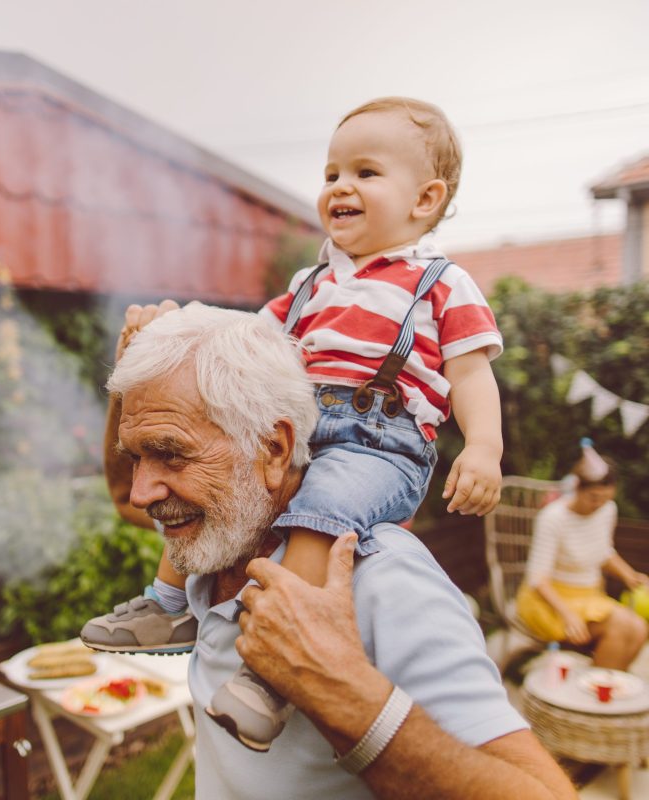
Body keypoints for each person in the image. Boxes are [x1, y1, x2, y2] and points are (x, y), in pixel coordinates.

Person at [83, 96, 504, 750]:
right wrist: (172, 327)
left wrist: (482, 449)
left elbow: (472, 375)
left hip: (378, 447)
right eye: (332, 172)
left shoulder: (441, 284)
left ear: (425, 199)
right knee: (214, 494)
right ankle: (167, 608)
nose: (340, 185)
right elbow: (241, 337)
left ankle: (273, 672)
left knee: (319, 512)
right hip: (306, 429)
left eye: (365, 172)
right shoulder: (310, 284)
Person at [93, 302, 575, 799]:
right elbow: (118, 494)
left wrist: (341, 693)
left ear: (274, 450)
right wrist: (130, 376)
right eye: (138, 457)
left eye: (170, 453)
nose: (141, 492)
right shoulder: (213, 534)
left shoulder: (383, 580)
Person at [516, 442, 649, 669]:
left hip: (589, 597)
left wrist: (629, 575)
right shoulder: (553, 518)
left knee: (639, 629)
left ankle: (604, 684)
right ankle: (598, 691)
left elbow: (603, 552)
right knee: (620, 629)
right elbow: (538, 579)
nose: (598, 504)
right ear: (577, 488)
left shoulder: (608, 510)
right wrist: (567, 615)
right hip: (550, 601)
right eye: (593, 497)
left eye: (605, 497)